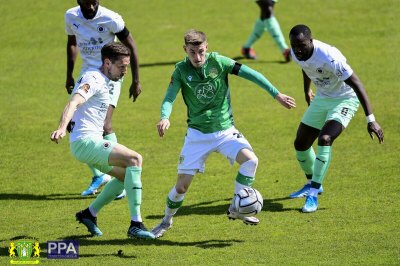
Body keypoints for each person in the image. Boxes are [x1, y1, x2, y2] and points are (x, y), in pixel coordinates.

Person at [151, 30, 296, 238]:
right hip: (197, 135)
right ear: (185, 50)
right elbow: (168, 98)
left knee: (251, 161)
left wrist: (276, 94)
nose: (197, 57)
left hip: (226, 131)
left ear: (206, 47)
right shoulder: (180, 71)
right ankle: (166, 221)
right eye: (192, 52)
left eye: (201, 52)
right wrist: (165, 117)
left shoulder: (220, 62)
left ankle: (236, 208)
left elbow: (252, 74)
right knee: (181, 188)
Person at [51, 42, 155, 239]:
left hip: (90, 142)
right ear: (107, 63)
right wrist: (61, 128)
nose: (125, 71)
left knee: (125, 176)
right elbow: (73, 102)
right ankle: (136, 224)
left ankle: (89, 214)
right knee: (135, 159)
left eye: (127, 66)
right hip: (86, 142)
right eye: (122, 67)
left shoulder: (104, 80)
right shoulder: (94, 79)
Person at [288, 24, 384, 213]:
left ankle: (313, 194)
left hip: (344, 99)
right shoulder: (295, 52)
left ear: (311, 41)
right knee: (300, 144)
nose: (298, 49)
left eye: (302, 45)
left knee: (325, 138)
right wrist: (306, 90)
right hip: (323, 98)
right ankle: (312, 182)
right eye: (294, 45)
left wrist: (371, 119)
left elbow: (357, 84)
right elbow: (305, 67)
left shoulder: (330, 58)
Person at [65, 0, 142, 197]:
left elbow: (131, 46)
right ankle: (100, 175)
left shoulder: (111, 18)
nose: (91, 6)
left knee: (105, 125)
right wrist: (69, 74)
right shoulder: (71, 16)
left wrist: (136, 80)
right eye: (86, 1)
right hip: (88, 75)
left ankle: (118, 177)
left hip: (111, 75)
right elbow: (72, 43)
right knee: (75, 126)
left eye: (94, 1)